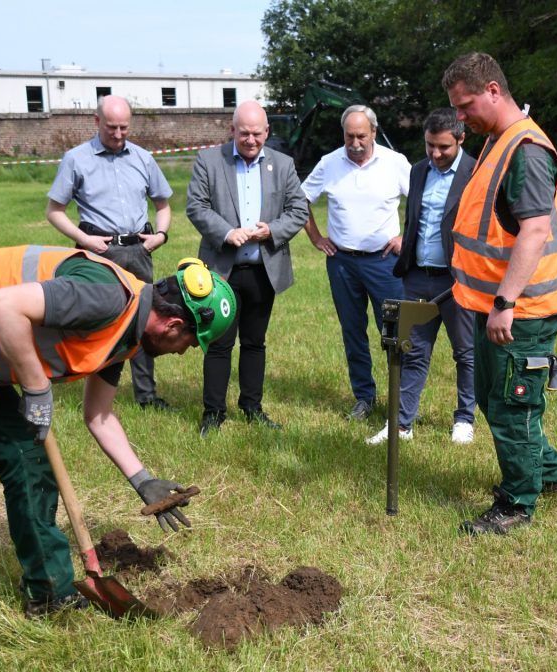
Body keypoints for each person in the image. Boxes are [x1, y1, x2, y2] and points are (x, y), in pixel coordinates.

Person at [0, 246, 235, 672]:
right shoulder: (106, 300)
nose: (183, 353)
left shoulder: (127, 333)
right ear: (174, 325)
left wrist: (144, 481)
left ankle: (48, 593)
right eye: (189, 344)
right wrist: (38, 386)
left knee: (31, 466)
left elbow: (98, 415)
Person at [442, 52, 557, 536]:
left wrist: (505, 303)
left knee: (512, 404)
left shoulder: (525, 150)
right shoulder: (499, 140)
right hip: (491, 305)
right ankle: (550, 473)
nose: (460, 116)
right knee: (491, 399)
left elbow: (535, 230)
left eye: (466, 104)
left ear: (494, 91)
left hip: (522, 310)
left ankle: (517, 503)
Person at [46, 94, 176, 411]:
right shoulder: (76, 159)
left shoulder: (144, 159)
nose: (118, 135)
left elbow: (164, 205)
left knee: (144, 321)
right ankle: (84, 387)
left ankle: (146, 396)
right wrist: (84, 240)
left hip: (138, 250)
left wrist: (159, 235)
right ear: (96, 122)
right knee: (95, 321)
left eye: (124, 128)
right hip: (97, 251)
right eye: (111, 128)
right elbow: (55, 211)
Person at [186, 101, 309, 436]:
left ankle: (252, 407)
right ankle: (213, 412)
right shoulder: (209, 161)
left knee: (255, 342)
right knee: (219, 343)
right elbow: (196, 206)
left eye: (257, 133)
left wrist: (272, 230)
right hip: (221, 273)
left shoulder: (283, 165)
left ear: (267, 132)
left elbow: (299, 209)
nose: (251, 140)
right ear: (232, 130)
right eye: (244, 133)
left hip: (262, 270)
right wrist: (227, 232)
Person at [366, 109, 478, 446]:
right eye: (430, 145)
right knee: (412, 351)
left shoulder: (476, 173)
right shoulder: (417, 171)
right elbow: (418, 218)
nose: (435, 154)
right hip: (417, 277)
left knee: (466, 353)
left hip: (458, 280)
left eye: (443, 147)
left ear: (460, 139)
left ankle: (464, 419)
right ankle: (401, 424)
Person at [301, 105, 411, 421]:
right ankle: (364, 397)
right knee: (353, 332)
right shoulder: (329, 163)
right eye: (349, 136)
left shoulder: (395, 162)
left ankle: (402, 402)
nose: (355, 143)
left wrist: (407, 238)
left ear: (374, 132)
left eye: (361, 135)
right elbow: (300, 199)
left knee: (395, 332)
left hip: (385, 263)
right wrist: (316, 237)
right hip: (342, 264)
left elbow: (420, 201)